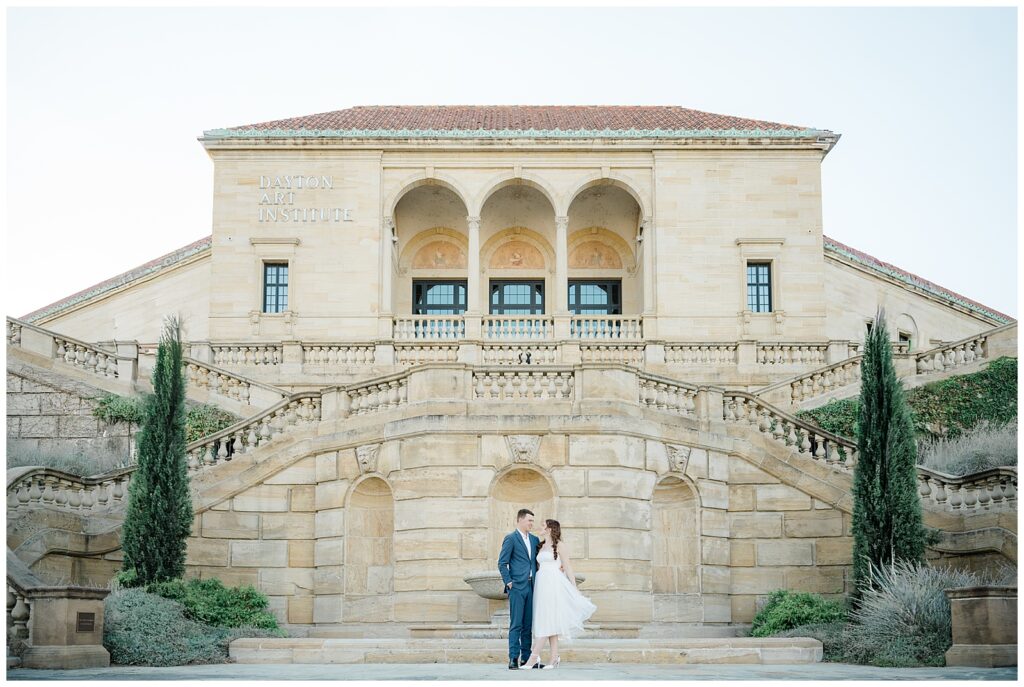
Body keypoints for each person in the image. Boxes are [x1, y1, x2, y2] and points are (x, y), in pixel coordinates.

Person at [520, 519, 597, 670]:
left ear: (549, 528)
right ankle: (554, 658)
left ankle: (533, 658)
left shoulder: (560, 545)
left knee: (547, 619)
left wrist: (574, 587)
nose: (540, 528)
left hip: (553, 583)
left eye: (543, 525)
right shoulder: (540, 545)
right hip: (541, 583)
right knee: (549, 619)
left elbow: (567, 567)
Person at [497, 508, 542, 670]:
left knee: (528, 625)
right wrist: (509, 582)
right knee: (516, 624)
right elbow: (502, 563)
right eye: (529, 520)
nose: (531, 523)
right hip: (517, 587)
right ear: (520, 520)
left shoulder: (535, 539)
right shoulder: (511, 538)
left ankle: (526, 659)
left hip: (532, 586)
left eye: (532, 521)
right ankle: (513, 658)